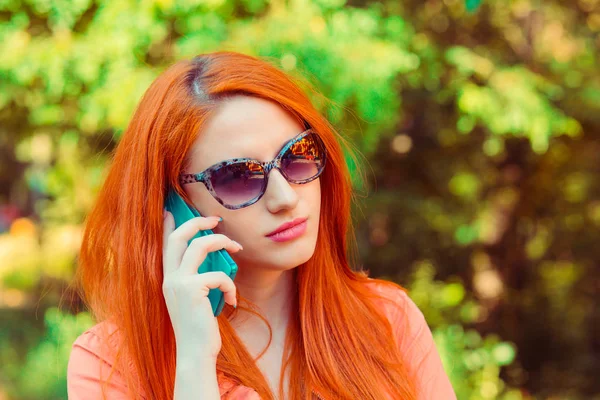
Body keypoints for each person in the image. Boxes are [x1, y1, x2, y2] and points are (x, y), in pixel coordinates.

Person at [66, 51, 456, 400]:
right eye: (237, 177)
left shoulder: (388, 319)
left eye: (298, 156)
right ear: (174, 204)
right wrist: (194, 362)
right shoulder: (109, 363)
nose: (285, 197)